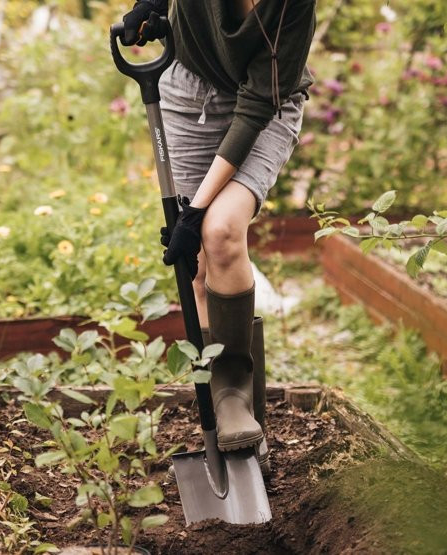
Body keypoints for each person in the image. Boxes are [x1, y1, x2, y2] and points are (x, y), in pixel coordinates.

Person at [122, 0, 316, 473]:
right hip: (188, 95)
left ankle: (232, 394)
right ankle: (234, 422)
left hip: (265, 107)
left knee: (221, 231)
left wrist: (195, 214)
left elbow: (257, 107)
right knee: (198, 270)